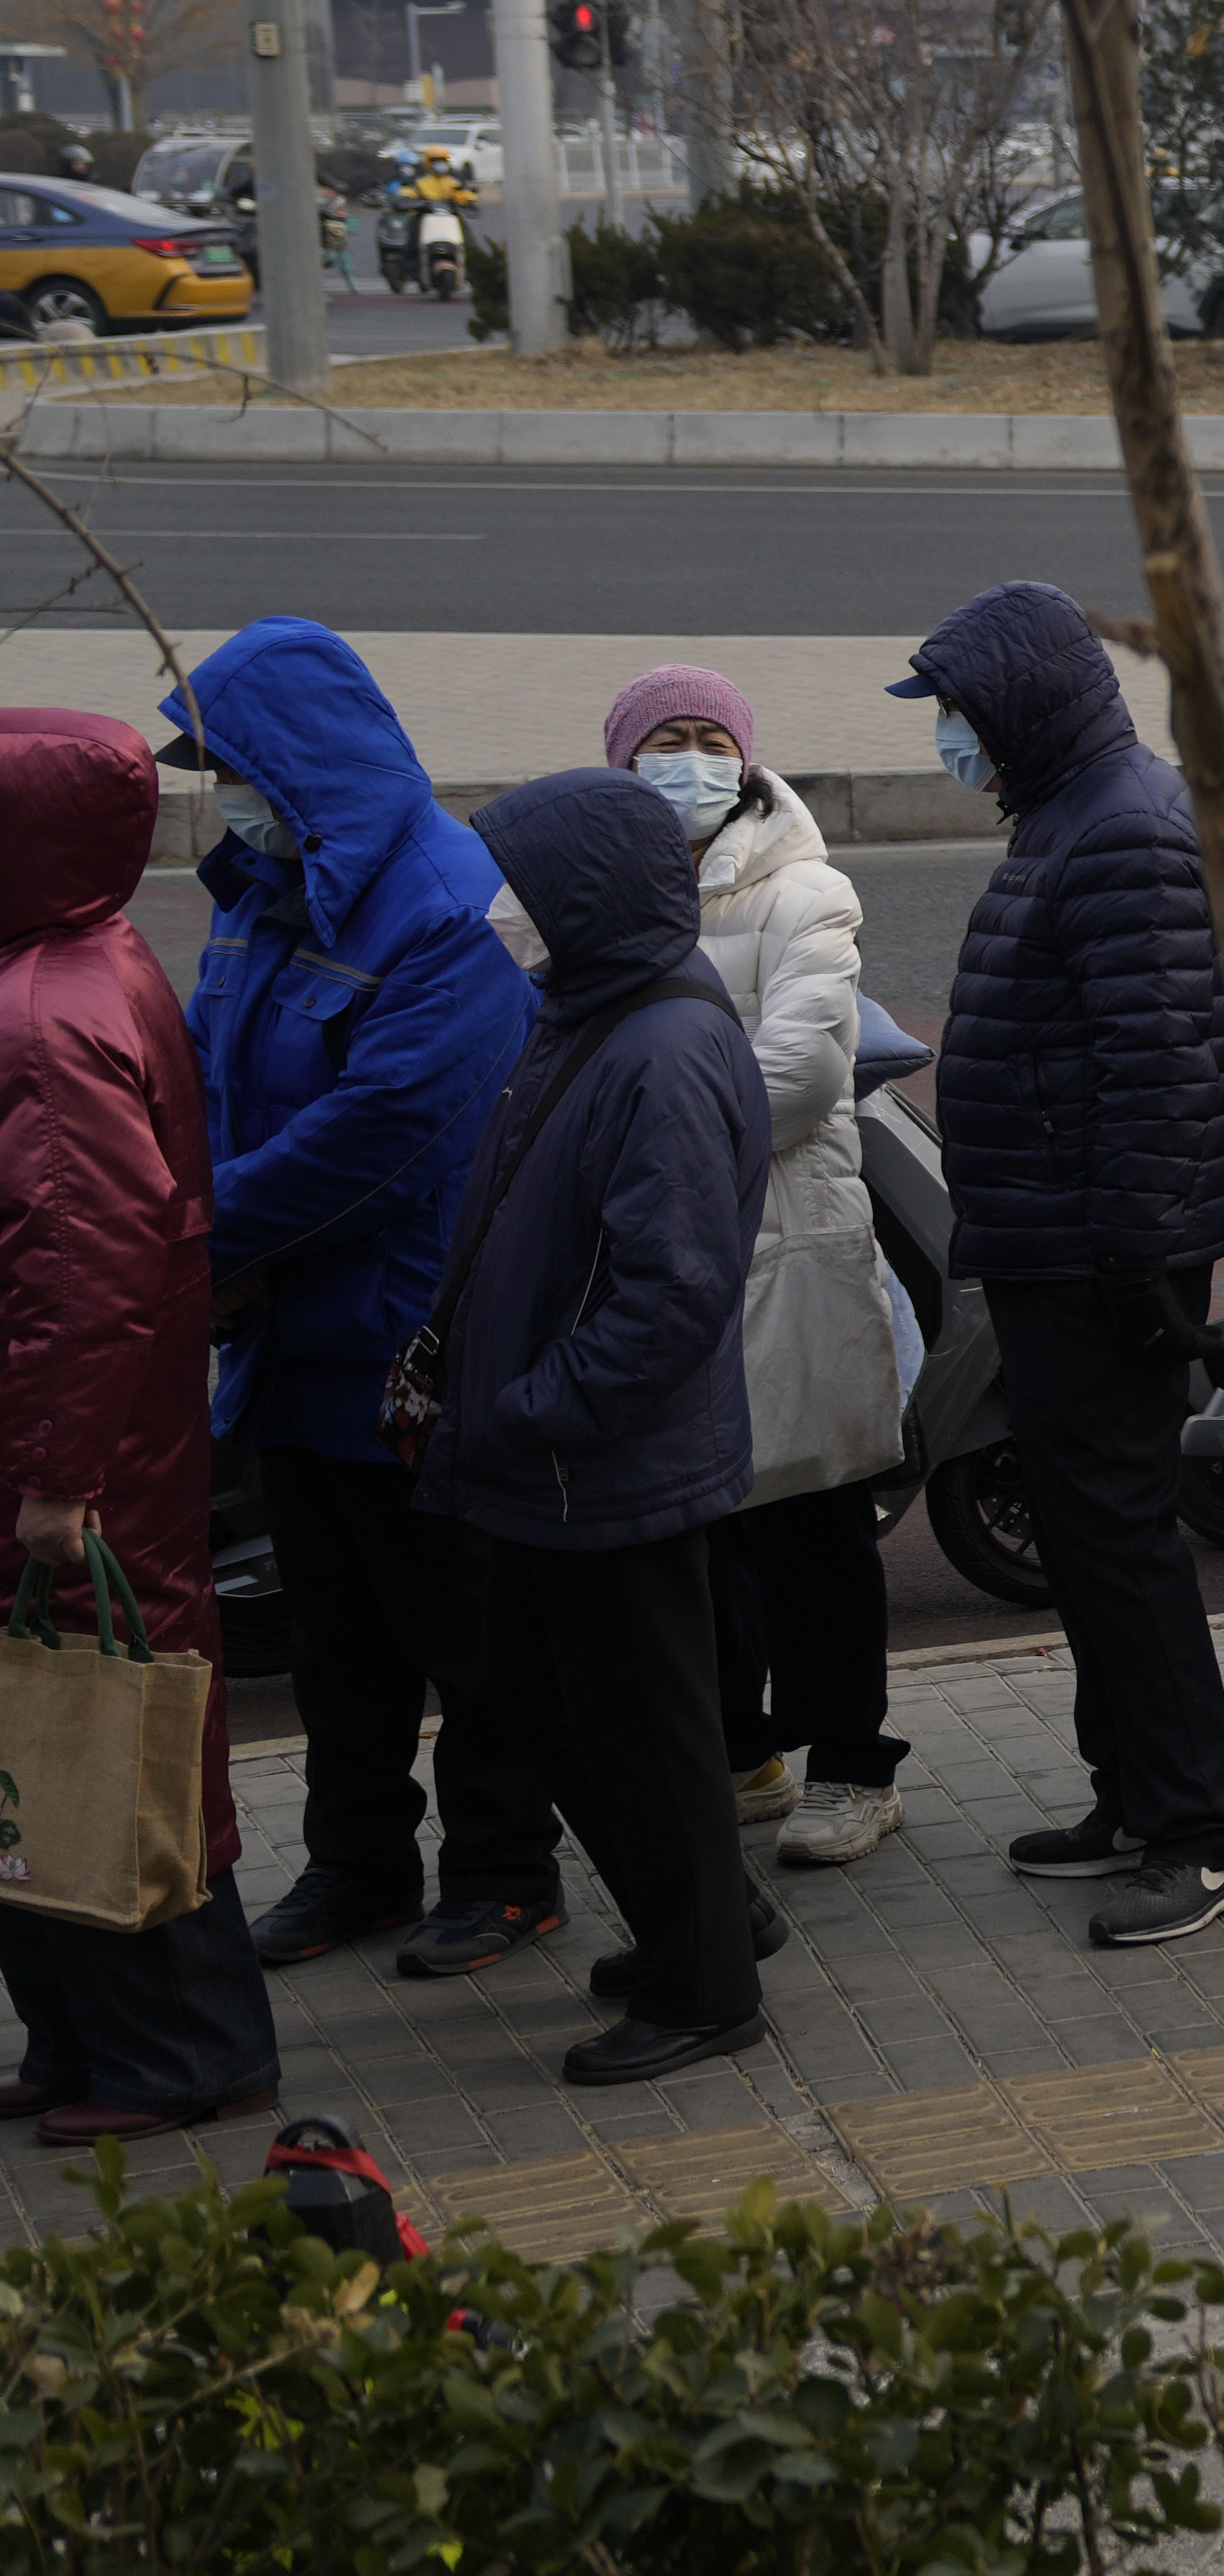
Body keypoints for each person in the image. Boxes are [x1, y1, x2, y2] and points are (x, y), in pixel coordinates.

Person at [899, 578, 1224, 1946]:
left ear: (1025, 703)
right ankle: (1131, 1795)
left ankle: (1207, 1830)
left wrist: (1134, 1257)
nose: (947, 736)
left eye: (958, 710)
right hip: (1057, 1247)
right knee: (1087, 1543)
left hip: (1100, 1259)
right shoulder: (1069, 814)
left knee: (1122, 1550)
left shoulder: (1121, 832)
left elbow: (1162, 1068)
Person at [175, 619, 544, 1978]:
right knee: (337, 1636)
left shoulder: (450, 907)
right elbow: (209, 1077)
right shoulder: (262, 888)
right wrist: (215, 1241)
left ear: (302, 759)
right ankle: (359, 1867)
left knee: (462, 1624)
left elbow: (389, 1130)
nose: (219, 796)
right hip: (289, 1332)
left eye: (231, 767)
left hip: (405, 1332)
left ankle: (505, 1872)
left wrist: (201, 1249)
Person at [416, 770, 775, 2090]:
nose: (507, 910)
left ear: (589, 898)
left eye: (529, 886)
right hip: (551, 1456)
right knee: (538, 1691)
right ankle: (712, 1923)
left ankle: (704, 1988)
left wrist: (533, 1409)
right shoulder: (594, 1010)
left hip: (602, 1459)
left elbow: (670, 1291)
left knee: (648, 1731)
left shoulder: (663, 1048)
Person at [0, 709, 277, 2146]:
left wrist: (54, 1480)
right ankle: (83, 2034)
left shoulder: (48, 1015)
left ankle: (183, 2052)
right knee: (50, 1745)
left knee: (117, 1738)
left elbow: (84, 1268)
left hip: (84, 1472)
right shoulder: (79, 961)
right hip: (103, 1453)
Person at [609, 666, 910, 1872]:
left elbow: (799, 1078)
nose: (691, 763)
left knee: (811, 1519)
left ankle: (852, 1767)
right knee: (699, 1522)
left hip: (785, 1235)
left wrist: (633, 1120)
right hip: (660, 1244)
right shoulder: (601, 888)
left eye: (709, 740)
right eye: (663, 743)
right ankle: (742, 1755)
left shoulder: (804, 890)